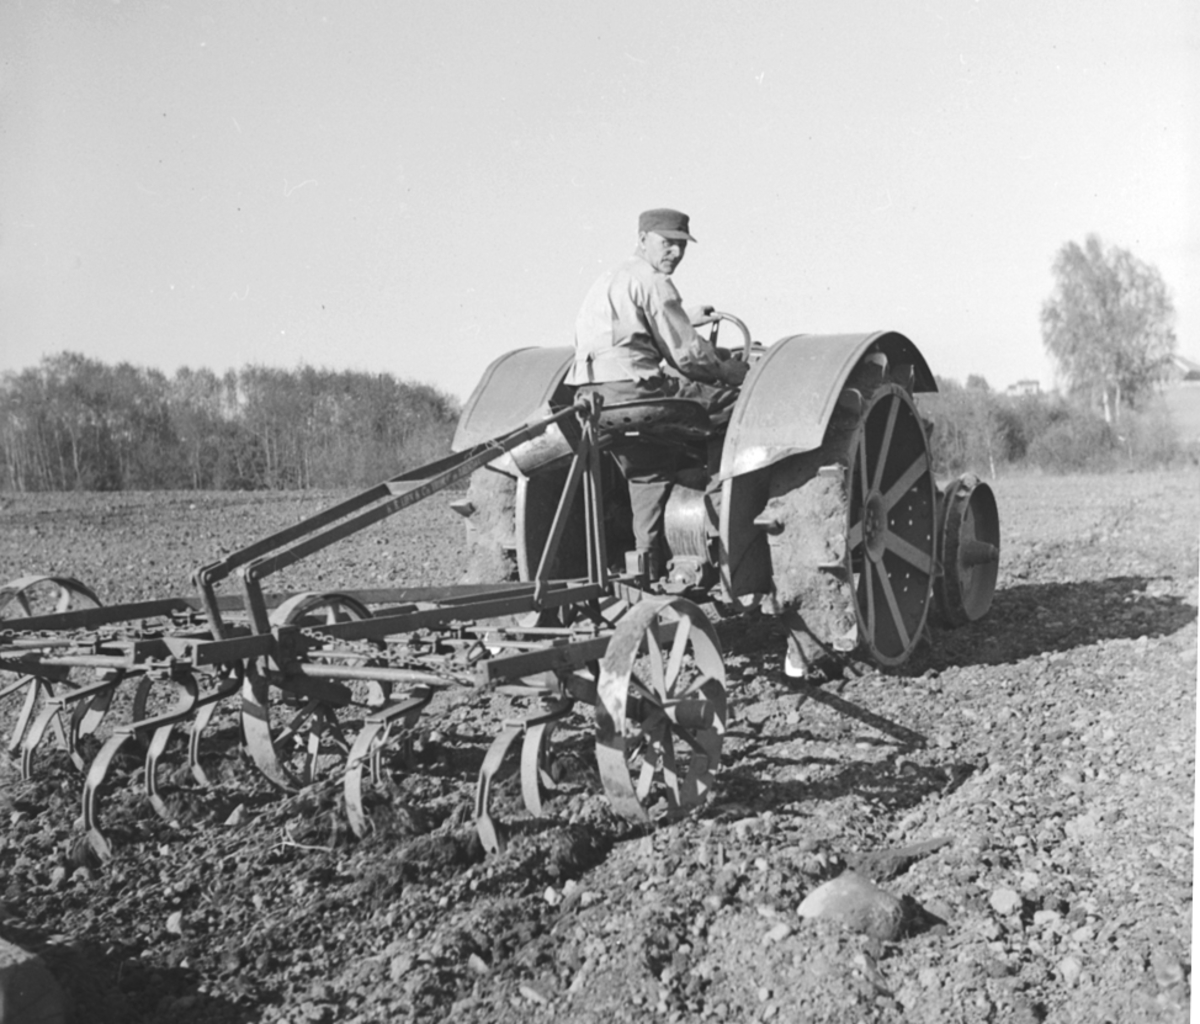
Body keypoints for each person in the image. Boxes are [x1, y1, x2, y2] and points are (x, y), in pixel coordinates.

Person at [567, 208, 749, 579]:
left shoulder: (609, 278)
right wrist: (731, 371)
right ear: (643, 239)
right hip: (639, 390)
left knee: (646, 472)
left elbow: (635, 325)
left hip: (595, 397)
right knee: (736, 411)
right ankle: (723, 528)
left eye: (681, 245)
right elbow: (688, 356)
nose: (676, 253)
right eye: (667, 243)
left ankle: (645, 563)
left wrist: (686, 316)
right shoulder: (654, 281)